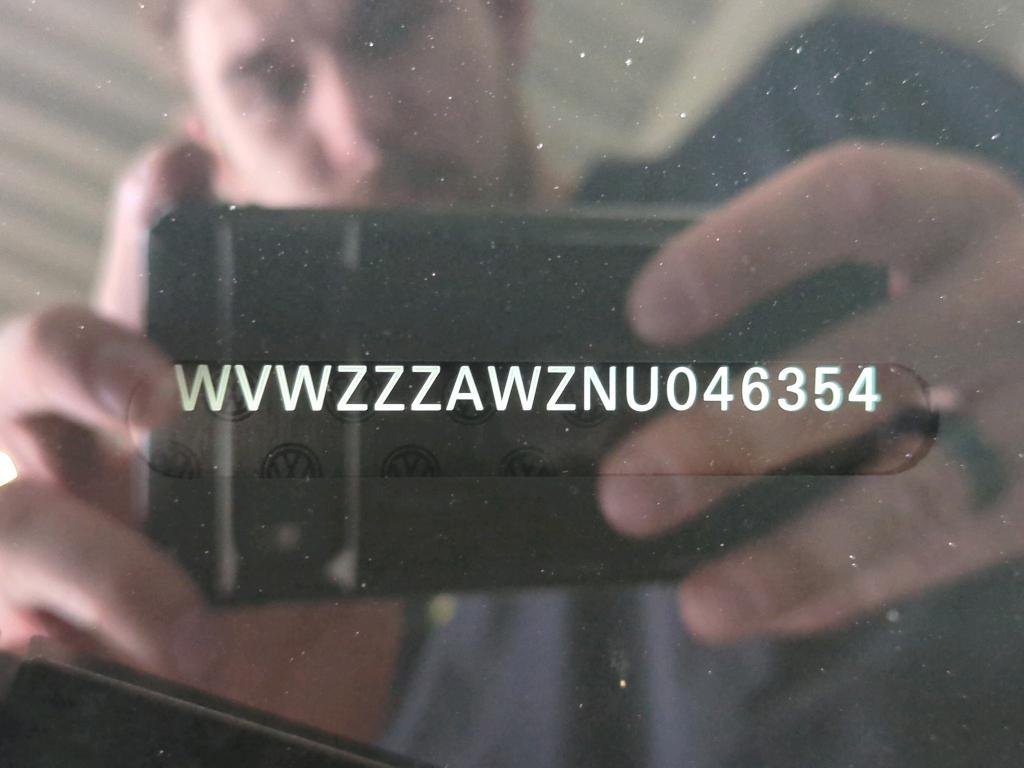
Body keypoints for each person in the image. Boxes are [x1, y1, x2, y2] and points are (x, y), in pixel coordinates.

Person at [1, 1, 1023, 765]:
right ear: (211, 149)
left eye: (391, 24)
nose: (358, 125)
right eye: (272, 82)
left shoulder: (827, 133)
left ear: (508, 18)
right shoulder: (299, 639)